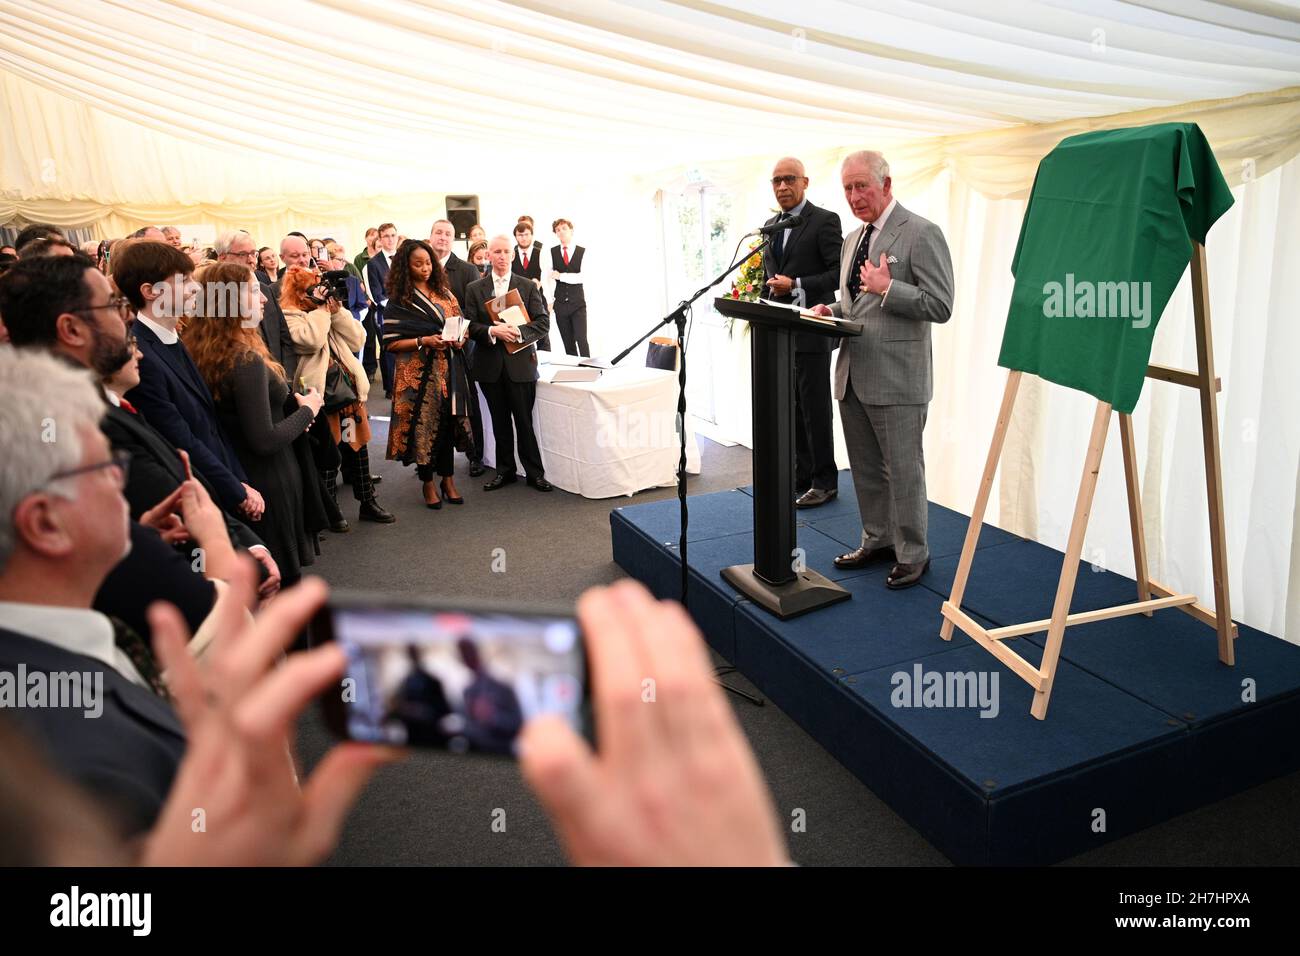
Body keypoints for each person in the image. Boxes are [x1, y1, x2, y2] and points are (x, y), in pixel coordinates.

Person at [0, 254, 281, 598]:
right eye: (112, 305)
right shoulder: (66, 426)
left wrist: (142, 535)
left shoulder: (98, 405)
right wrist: (225, 563)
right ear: (71, 329)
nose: (128, 314)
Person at [811, 151, 954, 590]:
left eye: (862, 187)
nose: (854, 196)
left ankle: (914, 554)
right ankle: (877, 539)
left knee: (904, 471)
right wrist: (828, 309)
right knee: (866, 469)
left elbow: (941, 305)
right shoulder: (853, 239)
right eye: (847, 188)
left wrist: (890, 287)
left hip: (897, 379)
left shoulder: (922, 233)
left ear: (886, 185)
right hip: (853, 373)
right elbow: (856, 305)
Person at [186, 262, 326, 586]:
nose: (264, 298)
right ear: (229, 299)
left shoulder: (202, 348)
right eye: (252, 290)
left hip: (243, 474)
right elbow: (264, 438)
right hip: (269, 480)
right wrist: (309, 410)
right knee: (281, 589)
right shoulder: (244, 357)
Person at [113, 240, 266, 523]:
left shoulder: (172, 339)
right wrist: (236, 490)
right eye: (183, 281)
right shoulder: (141, 356)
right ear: (150, 291)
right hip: (201, 495)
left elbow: (212, 427)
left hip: (222, 483)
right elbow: (182, 439)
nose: (195, 288)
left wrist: (240, 484)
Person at [280, 265, 394, 525]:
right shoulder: (290, 315)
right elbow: (310, 340)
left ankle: (367, 502)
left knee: (356, 448)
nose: (322, 289)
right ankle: (329, 512)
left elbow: (358, 340)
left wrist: (338, 311)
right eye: (315, 286)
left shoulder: (326, 312)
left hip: (347, 396)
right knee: (328, 455)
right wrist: (321, 311)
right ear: (299, 292)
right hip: (321, 397)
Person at [760, 157, 844, 509]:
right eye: (776, 180)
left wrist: (796, 284)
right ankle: (802, 475)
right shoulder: (769, 225)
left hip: (813, 329)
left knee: (814, 407)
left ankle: (826, 481)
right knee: (791, 406)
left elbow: (839, 274)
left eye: (789, 179)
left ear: (805, 182)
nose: (782, 186)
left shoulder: (824, 221)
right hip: (781, 333)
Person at [381, 239, 472, 509]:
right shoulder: (399, 301)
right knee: (422, 429)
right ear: (405, 267)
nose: (425, 268)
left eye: (428, 263)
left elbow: (460, 323)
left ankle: (448, 479)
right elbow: (390, 342)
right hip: (418, 377)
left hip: (449, 371)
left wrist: (459, 340)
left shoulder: (444, 292)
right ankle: (428, 483)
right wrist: (424, 341)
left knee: (446, 425)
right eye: (418, 264)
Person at [464, 235, 552, 492]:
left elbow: (543, 323)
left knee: (524, 422)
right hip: (489, 366)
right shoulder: (475, 289)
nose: (501, 256)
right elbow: (469, 325)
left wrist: (519, 331)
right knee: (499, 422)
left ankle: (535, 473)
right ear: (488, 256)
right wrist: (493, 332)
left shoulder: (527, 286)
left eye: (505, 251)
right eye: (496, 252)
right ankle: (505, 471)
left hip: (521, 365)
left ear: (513, 255)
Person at [430, 218, 486, 475]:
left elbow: (474, 312)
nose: (442, 237)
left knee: (467, 404)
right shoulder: (420, 268)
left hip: (461, 348)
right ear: (430, 236)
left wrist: (461, 336)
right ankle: (430, 459)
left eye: (447, 234)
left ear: (453, 239)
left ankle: (475, 456)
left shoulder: (466, 270)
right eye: (438, 233)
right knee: (433, 406)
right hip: (429, 349)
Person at [217, 229, 299, 383]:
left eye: (253, 253)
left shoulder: (264, 290)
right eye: (242, 254)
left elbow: (285, 338)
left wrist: (286, 379)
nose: (251, 260)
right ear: (222, 257)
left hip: (279, 383)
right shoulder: (214, 296)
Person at [457, 638, 523, 753]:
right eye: (463, 654)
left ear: (477, 652)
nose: (467, 658)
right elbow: (469, 726)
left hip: (500, 751)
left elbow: (518, 724)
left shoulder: (502, 687)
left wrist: (492, 716)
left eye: (468, 652)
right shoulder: (468, 691)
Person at [365, 222, 400, 395]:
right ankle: (390, 387)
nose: (390, 239)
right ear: (380, 239)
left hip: (407, 311)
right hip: (385, 313)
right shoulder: (374, 263)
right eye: (386, 236)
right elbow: (375, 293)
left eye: (393, 235)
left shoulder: (404, 258)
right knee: (388, 349)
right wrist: (394, 306)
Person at [548, 218, 589, 356]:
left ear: (571, 230)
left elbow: (581, 277)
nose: (561, 232)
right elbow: (548, 276)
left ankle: (588, 370)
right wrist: (550, 300)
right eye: (558, 230)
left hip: (577, 303)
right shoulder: (552, 252)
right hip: (559, 304)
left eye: (564, 228)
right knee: (568, 343)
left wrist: (560, 276)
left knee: (582, 340)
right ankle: (573, 373)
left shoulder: (582, 251)